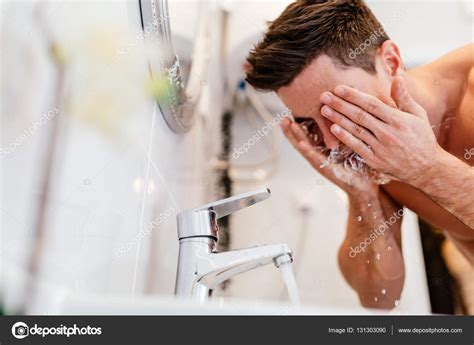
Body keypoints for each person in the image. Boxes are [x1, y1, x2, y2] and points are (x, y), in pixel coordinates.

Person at [245, 0, 474, 309]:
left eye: (343, 109)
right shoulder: (371, 152)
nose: (334, 142)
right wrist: (361, 194)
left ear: (391, 62)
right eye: (310, 122)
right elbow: (379, 296)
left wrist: (427, 168)